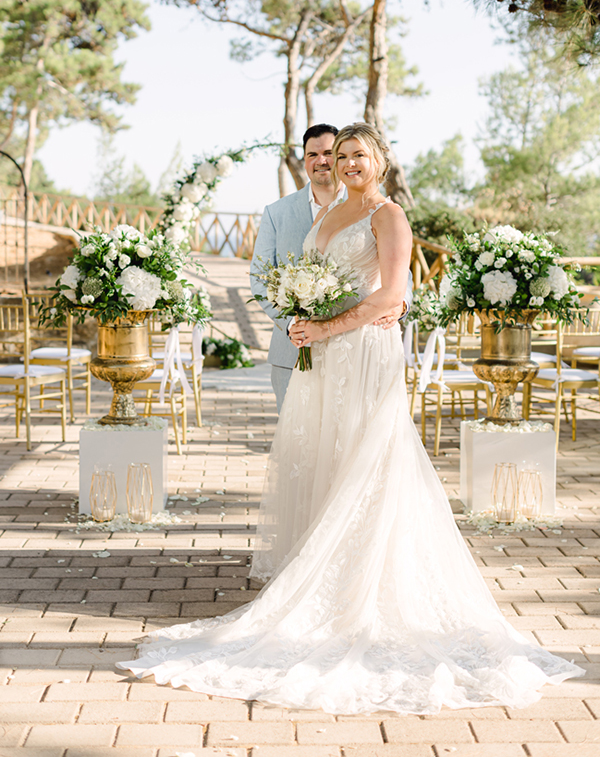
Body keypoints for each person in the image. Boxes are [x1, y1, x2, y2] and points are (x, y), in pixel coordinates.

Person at [119, 123, 583, 714]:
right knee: (322, 458)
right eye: (340, 156)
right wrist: (298, 317)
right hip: (321, 357)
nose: (347, 163)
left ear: (380, 160)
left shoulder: (388, 216)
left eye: (358, 154)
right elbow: (307, 280)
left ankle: (361, 589)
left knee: (369, 460)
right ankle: (318, 576)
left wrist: (328, 327)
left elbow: (393, 297)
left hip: (362, 354)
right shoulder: (331, 211)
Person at [250, 122, 412, 411]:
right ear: (304, 160)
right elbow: (261, 279)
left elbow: (398, 278)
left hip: (360, 344)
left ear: (376, 159)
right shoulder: (282, 213)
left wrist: (400, 304)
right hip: (297, 348)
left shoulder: (385, 213)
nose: (323, 161)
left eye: (329, 152)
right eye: (313, 154)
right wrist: (294, 325)